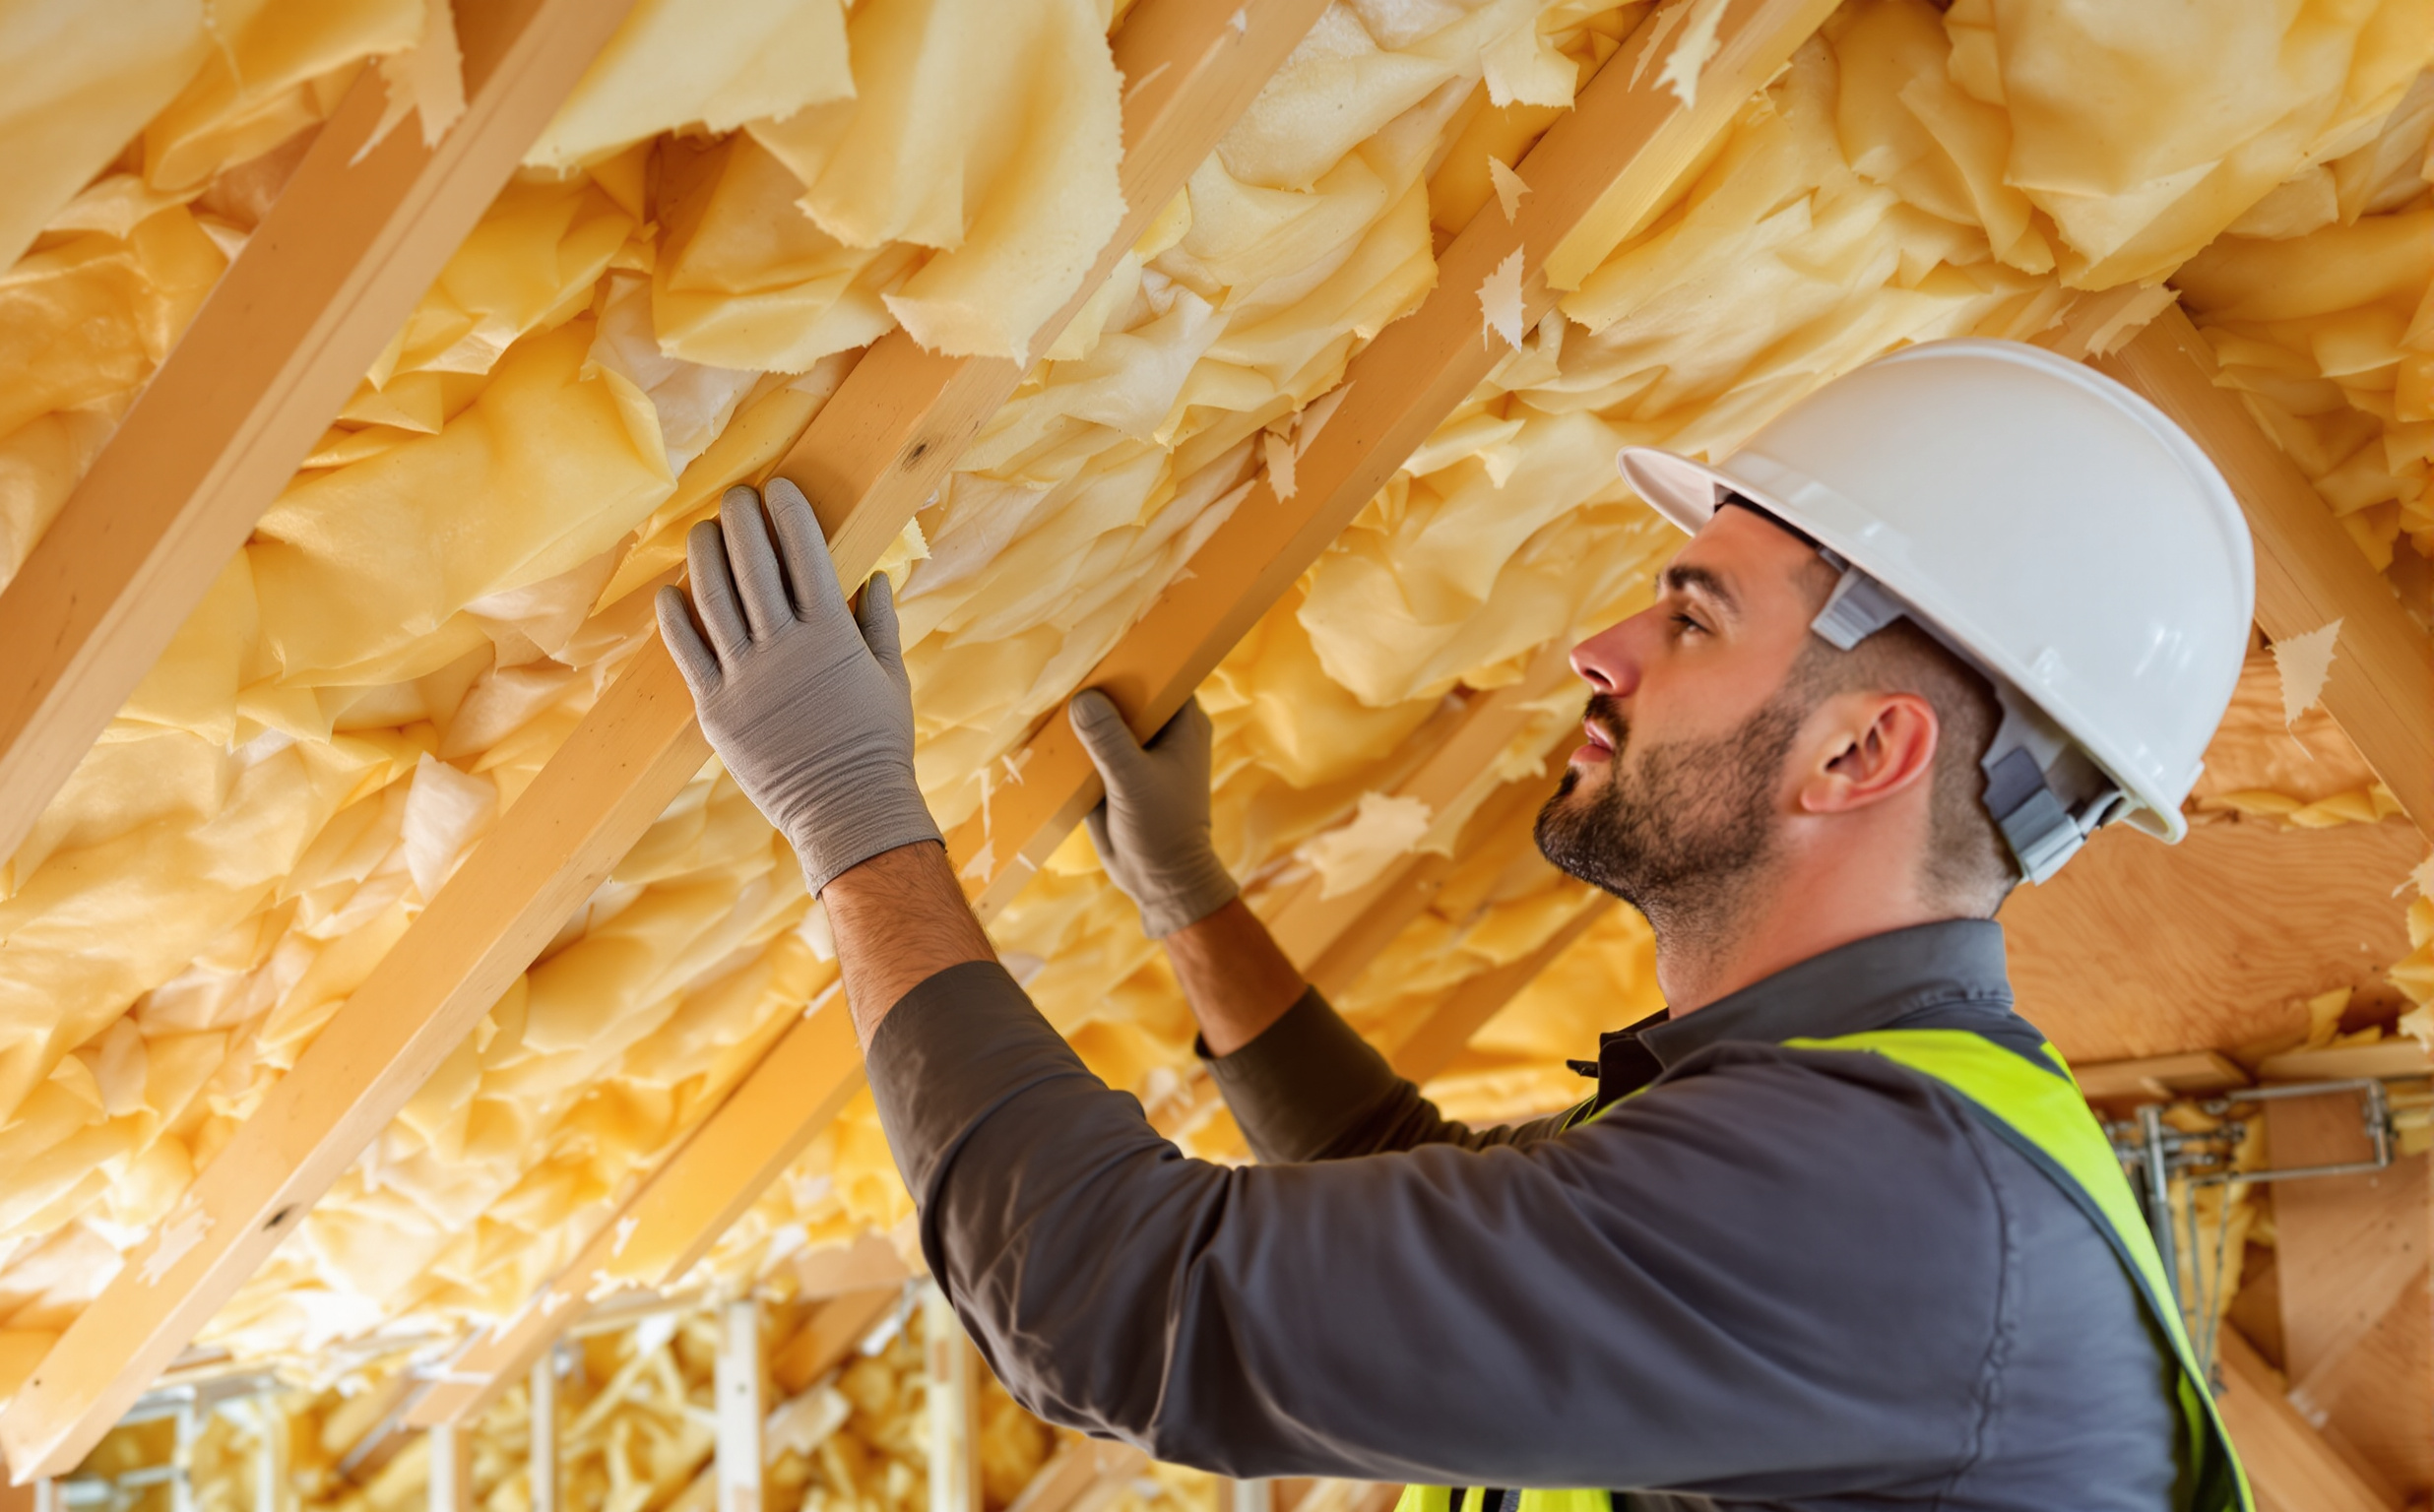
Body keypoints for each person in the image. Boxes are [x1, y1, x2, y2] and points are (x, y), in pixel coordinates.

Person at [656, 340, 2260, 1510]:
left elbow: (1106, 1296)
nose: (1600, 645)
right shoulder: (1879, 1128)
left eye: (1691, 616)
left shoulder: (1875, 1203)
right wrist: (1189, 905)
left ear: (1859, 754)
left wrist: (851, 812)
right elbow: (1413, 1199)